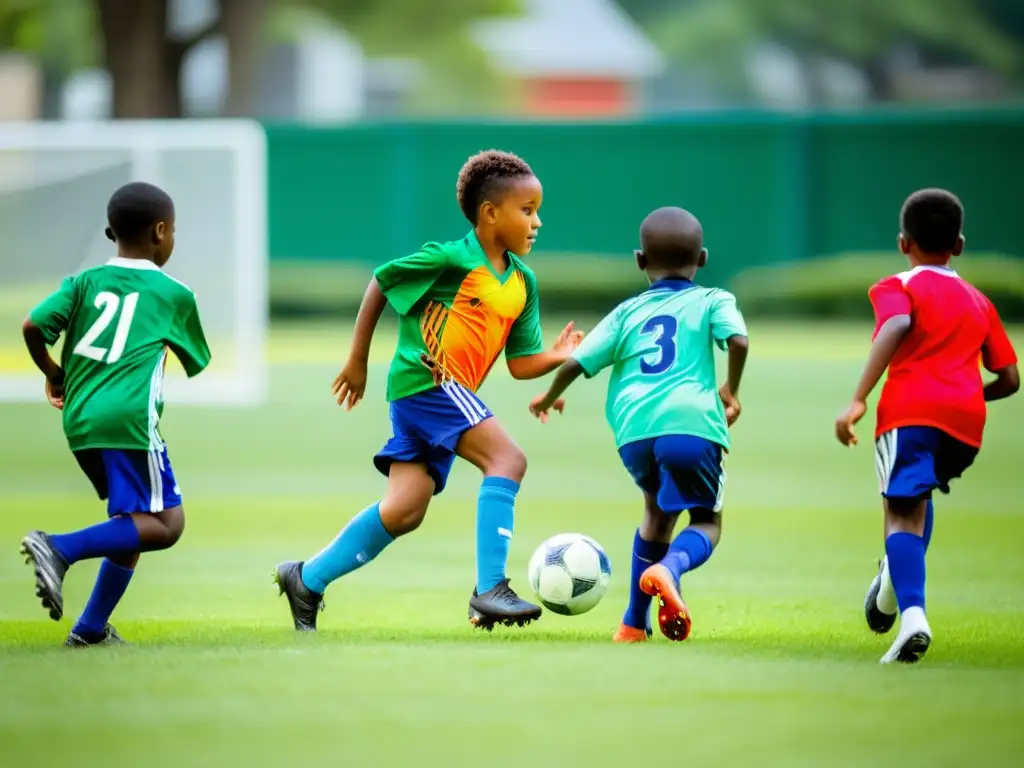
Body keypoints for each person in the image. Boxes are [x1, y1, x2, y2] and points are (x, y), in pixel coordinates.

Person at [275, 150, 583, 631]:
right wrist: (357, 362)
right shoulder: (450, 258)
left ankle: (305, 579)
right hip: (429, 381)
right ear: (489, 214)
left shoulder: (524, 282)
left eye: (537, 210)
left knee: (404, 509)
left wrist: (558, 359)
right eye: (527, 210)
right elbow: (381, 281)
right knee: (508, 460)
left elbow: (522, 364)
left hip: (438, 396)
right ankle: (490, 590)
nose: (537, 221)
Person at [529, 206, 748, 643]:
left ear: (639, 260)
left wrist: (548, 397)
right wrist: (731, 389)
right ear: (702, 259)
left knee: (656, 513)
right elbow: (738, 340)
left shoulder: (626, 312)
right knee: (706, 522)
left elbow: (576, 362)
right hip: (692, 427)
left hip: (634, 434)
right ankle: (669, 569)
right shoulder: (712, 299)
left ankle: (632, 624)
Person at [20, 181, 211, 647]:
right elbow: (195, 361)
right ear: (161, 231)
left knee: (133, 521)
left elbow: (31, 325)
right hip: (128, 421)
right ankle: (59, 548)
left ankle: (89, 630)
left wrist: (54, 372)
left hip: (80, 419)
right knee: (167, 524)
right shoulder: (173, 292)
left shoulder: (84, 282)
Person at [835, 188, 1019, 664]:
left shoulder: (897, 286)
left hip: (909, 414)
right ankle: (890, 589)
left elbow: (895, 326)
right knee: (917, 495)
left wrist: (858, 398)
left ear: (903, 243)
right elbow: (1010, 378)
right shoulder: (979, 300)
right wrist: (963, 395)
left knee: (899, 512)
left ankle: (912, 615)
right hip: (965, 427)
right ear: (958, 245)